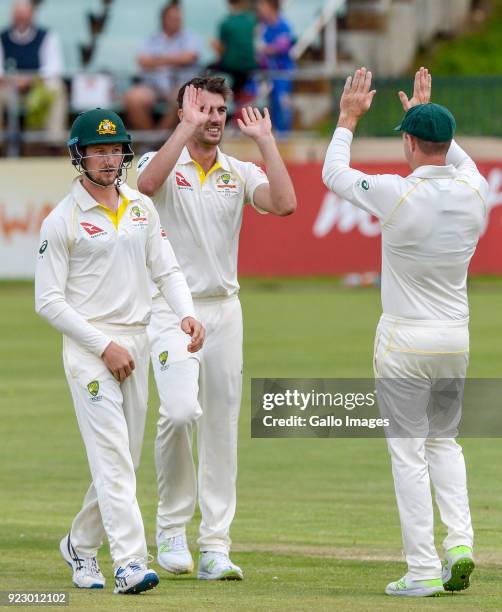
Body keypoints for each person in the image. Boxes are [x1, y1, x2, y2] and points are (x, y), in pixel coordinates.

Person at [322, 67, 487, 597]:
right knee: (445, 443)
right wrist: (424, 114)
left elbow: (333, 172)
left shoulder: (395, 193)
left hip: (403, 341)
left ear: (410, 142)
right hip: (454, 340)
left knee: (407, 454)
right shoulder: (477, 191)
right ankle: (459, 544)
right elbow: (455, 156)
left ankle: (420, 570)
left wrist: (348, 117)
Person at [35, 108, 204, 594]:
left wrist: (186, 312)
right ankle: (130, 563)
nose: (109, 159)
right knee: (112, 460)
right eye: (98, 150)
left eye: (115, 149)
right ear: (79, 156)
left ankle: (79, 545)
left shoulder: (139, 208)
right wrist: (102, 345)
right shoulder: (62, 221)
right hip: (91, 348)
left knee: (123, 463)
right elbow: (48, 301)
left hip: (138, 340)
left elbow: (167, 269)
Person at [137, 76, 297, 580]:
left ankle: (215, 545)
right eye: (203, 109)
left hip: (224, 311)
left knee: (222, 428)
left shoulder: (236, 171)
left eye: (219, 110)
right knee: (181, 412)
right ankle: (170, 529)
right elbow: (144, 187)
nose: (213, 118)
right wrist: (182, 130)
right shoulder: (159, 161)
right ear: (185, 111)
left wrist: (267, 142)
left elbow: (285, 203)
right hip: (169, 309)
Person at [123, 1, 201, 130]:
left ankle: (160, 142)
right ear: (163, 19)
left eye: (179, 18)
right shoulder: (151, 39)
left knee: (183, 97)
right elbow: (142, 61)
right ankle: (149, 141)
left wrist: (157, 59)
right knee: (133, 98)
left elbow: (190, 57)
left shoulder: (191, 37)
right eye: (173, 18)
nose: (177, 21)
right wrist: (175, 58)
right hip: (153, 86)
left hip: (180, 85)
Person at [0, 0, 67, 141]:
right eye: (18, 14)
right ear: (12, 15)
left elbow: (54, 67)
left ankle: (53, 142)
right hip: (9, 87)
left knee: (57, 88)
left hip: (38, 86)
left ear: (32, 15)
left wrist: (31, 80)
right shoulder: (2, 37)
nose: (22, 18)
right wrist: (13, 80)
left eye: (25, 14)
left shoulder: (47, 36)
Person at [256, 0, 295, 134]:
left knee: (282, 104)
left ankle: (284, 134)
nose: (259, 8)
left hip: (282, 74)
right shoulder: (262, 27)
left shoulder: (283, 25)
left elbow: (282, 46)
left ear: (271, 7)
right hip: (267, 74)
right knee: (268, 105)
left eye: (262, 5)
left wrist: (265, 49)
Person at [209, 0, 257, 105]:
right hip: (249, 68)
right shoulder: (251, 21)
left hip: (232, 67)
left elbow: (222, 50)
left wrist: (214, 46)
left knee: (207, 72)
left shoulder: (226, 23)